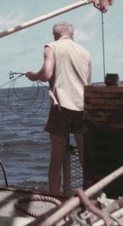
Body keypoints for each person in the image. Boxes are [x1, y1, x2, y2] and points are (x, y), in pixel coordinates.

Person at [26, 22, 92, 194]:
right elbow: (89, 83)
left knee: (56, 158)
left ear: (55, 35)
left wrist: (34, 76)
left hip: (61, 108)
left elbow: (46, 74)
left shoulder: (51, 47)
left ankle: (55, 198)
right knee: (87, 159)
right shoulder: (85, 52)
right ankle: (93, 198)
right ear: (72, 34)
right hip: (84, 107)